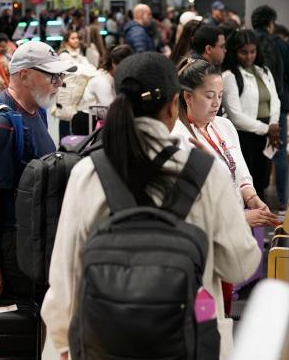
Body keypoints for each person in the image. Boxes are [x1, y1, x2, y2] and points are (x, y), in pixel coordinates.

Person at [41, 52, 261, 360]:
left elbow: (65, 274)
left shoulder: (88, 173)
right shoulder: (206, 172)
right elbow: (240, 264)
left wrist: (65, 343)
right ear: (175, 104)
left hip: (105, 344)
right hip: (190, 343)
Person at [0, 41, 76, 304]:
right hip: (13, 247)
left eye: (61, 76)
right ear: (24, 75)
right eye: (52, 76)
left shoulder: (36, 111)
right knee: (22, 328)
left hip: (34, 237)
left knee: (39, 318)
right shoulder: (0, 124)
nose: (59, 83)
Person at [173, 58, 280, 226]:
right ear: (188, 97)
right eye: (209, 96)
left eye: (220, 95)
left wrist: (251, 197)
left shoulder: (224, 125)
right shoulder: (179, 137)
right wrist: (240, 219)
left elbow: (240, 171)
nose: (216, 103)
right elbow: (191, 207)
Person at [222, 29, 281, 200]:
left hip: (267, 134)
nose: (249, 56)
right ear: (234, 52)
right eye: (243, 52)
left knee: (262, 181)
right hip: (243, 137)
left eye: (252, 51)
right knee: (245, 184)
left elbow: (275, 100)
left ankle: (259, 223)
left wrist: (274, 125)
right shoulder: (230, 76)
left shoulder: (264, 71)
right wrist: (267, 128)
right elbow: (235, 116)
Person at [251, 5, 289, 213]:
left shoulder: (247, 42)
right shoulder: (281, 45)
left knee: (254, 153)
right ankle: (284, 201)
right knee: (280, 152)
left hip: (252, 108)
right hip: (278, 106)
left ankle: (255, 200)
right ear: (271, 23)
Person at [72, 44, 134, 134]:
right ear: (113, 63)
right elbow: (111, 109)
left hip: (98, 120)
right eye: (123, 66)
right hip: (87, 122)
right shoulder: (101, 80)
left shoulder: (112, 77)